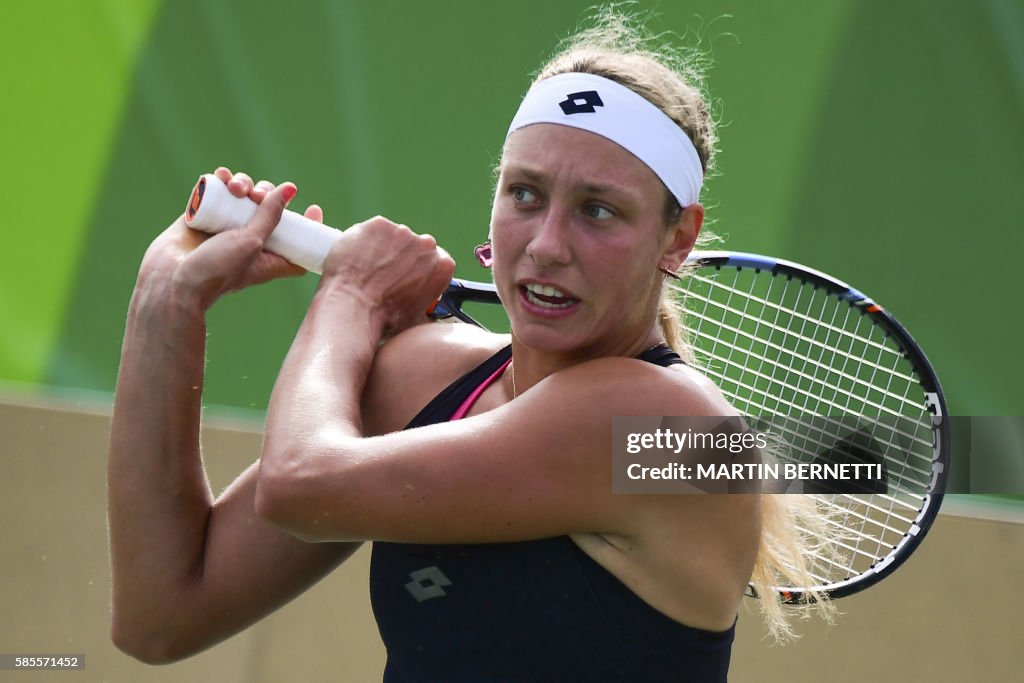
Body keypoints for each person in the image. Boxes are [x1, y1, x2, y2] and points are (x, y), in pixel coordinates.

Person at [108, 11, 831, 681]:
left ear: (679, 237)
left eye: (598, 210)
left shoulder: (666, 426)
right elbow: (162, 614)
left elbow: (302, 484)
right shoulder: (423, 376)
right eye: (525, 194)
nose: (547, 245)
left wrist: (352, 298)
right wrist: (166, 300)